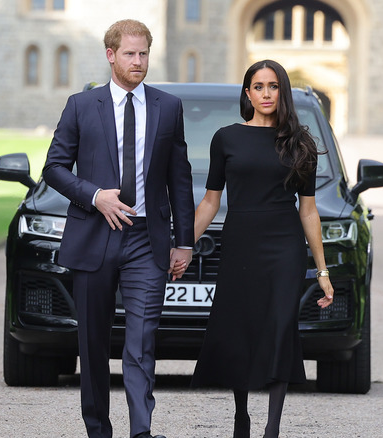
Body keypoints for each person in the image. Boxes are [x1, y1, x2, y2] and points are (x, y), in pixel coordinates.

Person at [43, 19, 194, 438]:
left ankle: (141, 431)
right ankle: (98, 430)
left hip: (147, 239)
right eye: (130, 53)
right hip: (95, 235)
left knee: (142, 339)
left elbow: (179, 179)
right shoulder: (80, 105)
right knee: (92, 343)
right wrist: (95, 196)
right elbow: (53, 168)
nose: (138, 61)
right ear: (111, 55)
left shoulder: (168, 107)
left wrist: (185, 241)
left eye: (144, 53)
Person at [189, 59, 334, 438]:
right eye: (258, 86)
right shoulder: (226, 138)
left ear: (282, 91)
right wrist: (182, 245)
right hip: (241, 241)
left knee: (280, 327)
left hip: (284, 245)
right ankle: (241, 415)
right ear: (247, 93)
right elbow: (209, 202)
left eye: (273, 86)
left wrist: (322, 271)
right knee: (241, 325)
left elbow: (309, 211)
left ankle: (272, 427)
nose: (266, 93)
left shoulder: (301, 143)